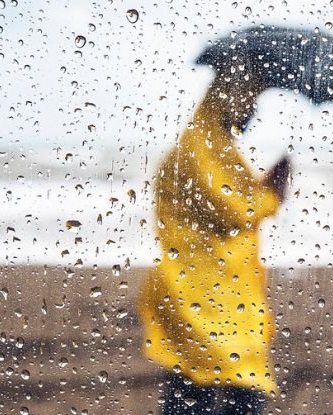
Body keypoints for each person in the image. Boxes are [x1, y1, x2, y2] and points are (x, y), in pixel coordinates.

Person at [138, 62, 289, 415]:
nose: (252, 109)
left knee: (207, 385)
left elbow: (228, 202)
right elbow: (231, 209)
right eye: (248, 98)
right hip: (197, 293)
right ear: (227, 97)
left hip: (220, 290)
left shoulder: (214, 145)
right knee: (221, 387)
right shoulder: (199, 146)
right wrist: (272, 194)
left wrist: (264, 186)